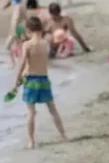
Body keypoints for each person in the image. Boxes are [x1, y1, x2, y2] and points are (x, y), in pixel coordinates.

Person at [12, 15, 69, 149]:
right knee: (52, 109)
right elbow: (41, 61)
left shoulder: (27, 45)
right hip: (44, 79)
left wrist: (17, 80)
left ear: (28, 30)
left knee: (31, 112)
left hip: (31, 81)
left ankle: (31, 141)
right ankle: (63, 135)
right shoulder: (46, 43)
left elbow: (23, 64)